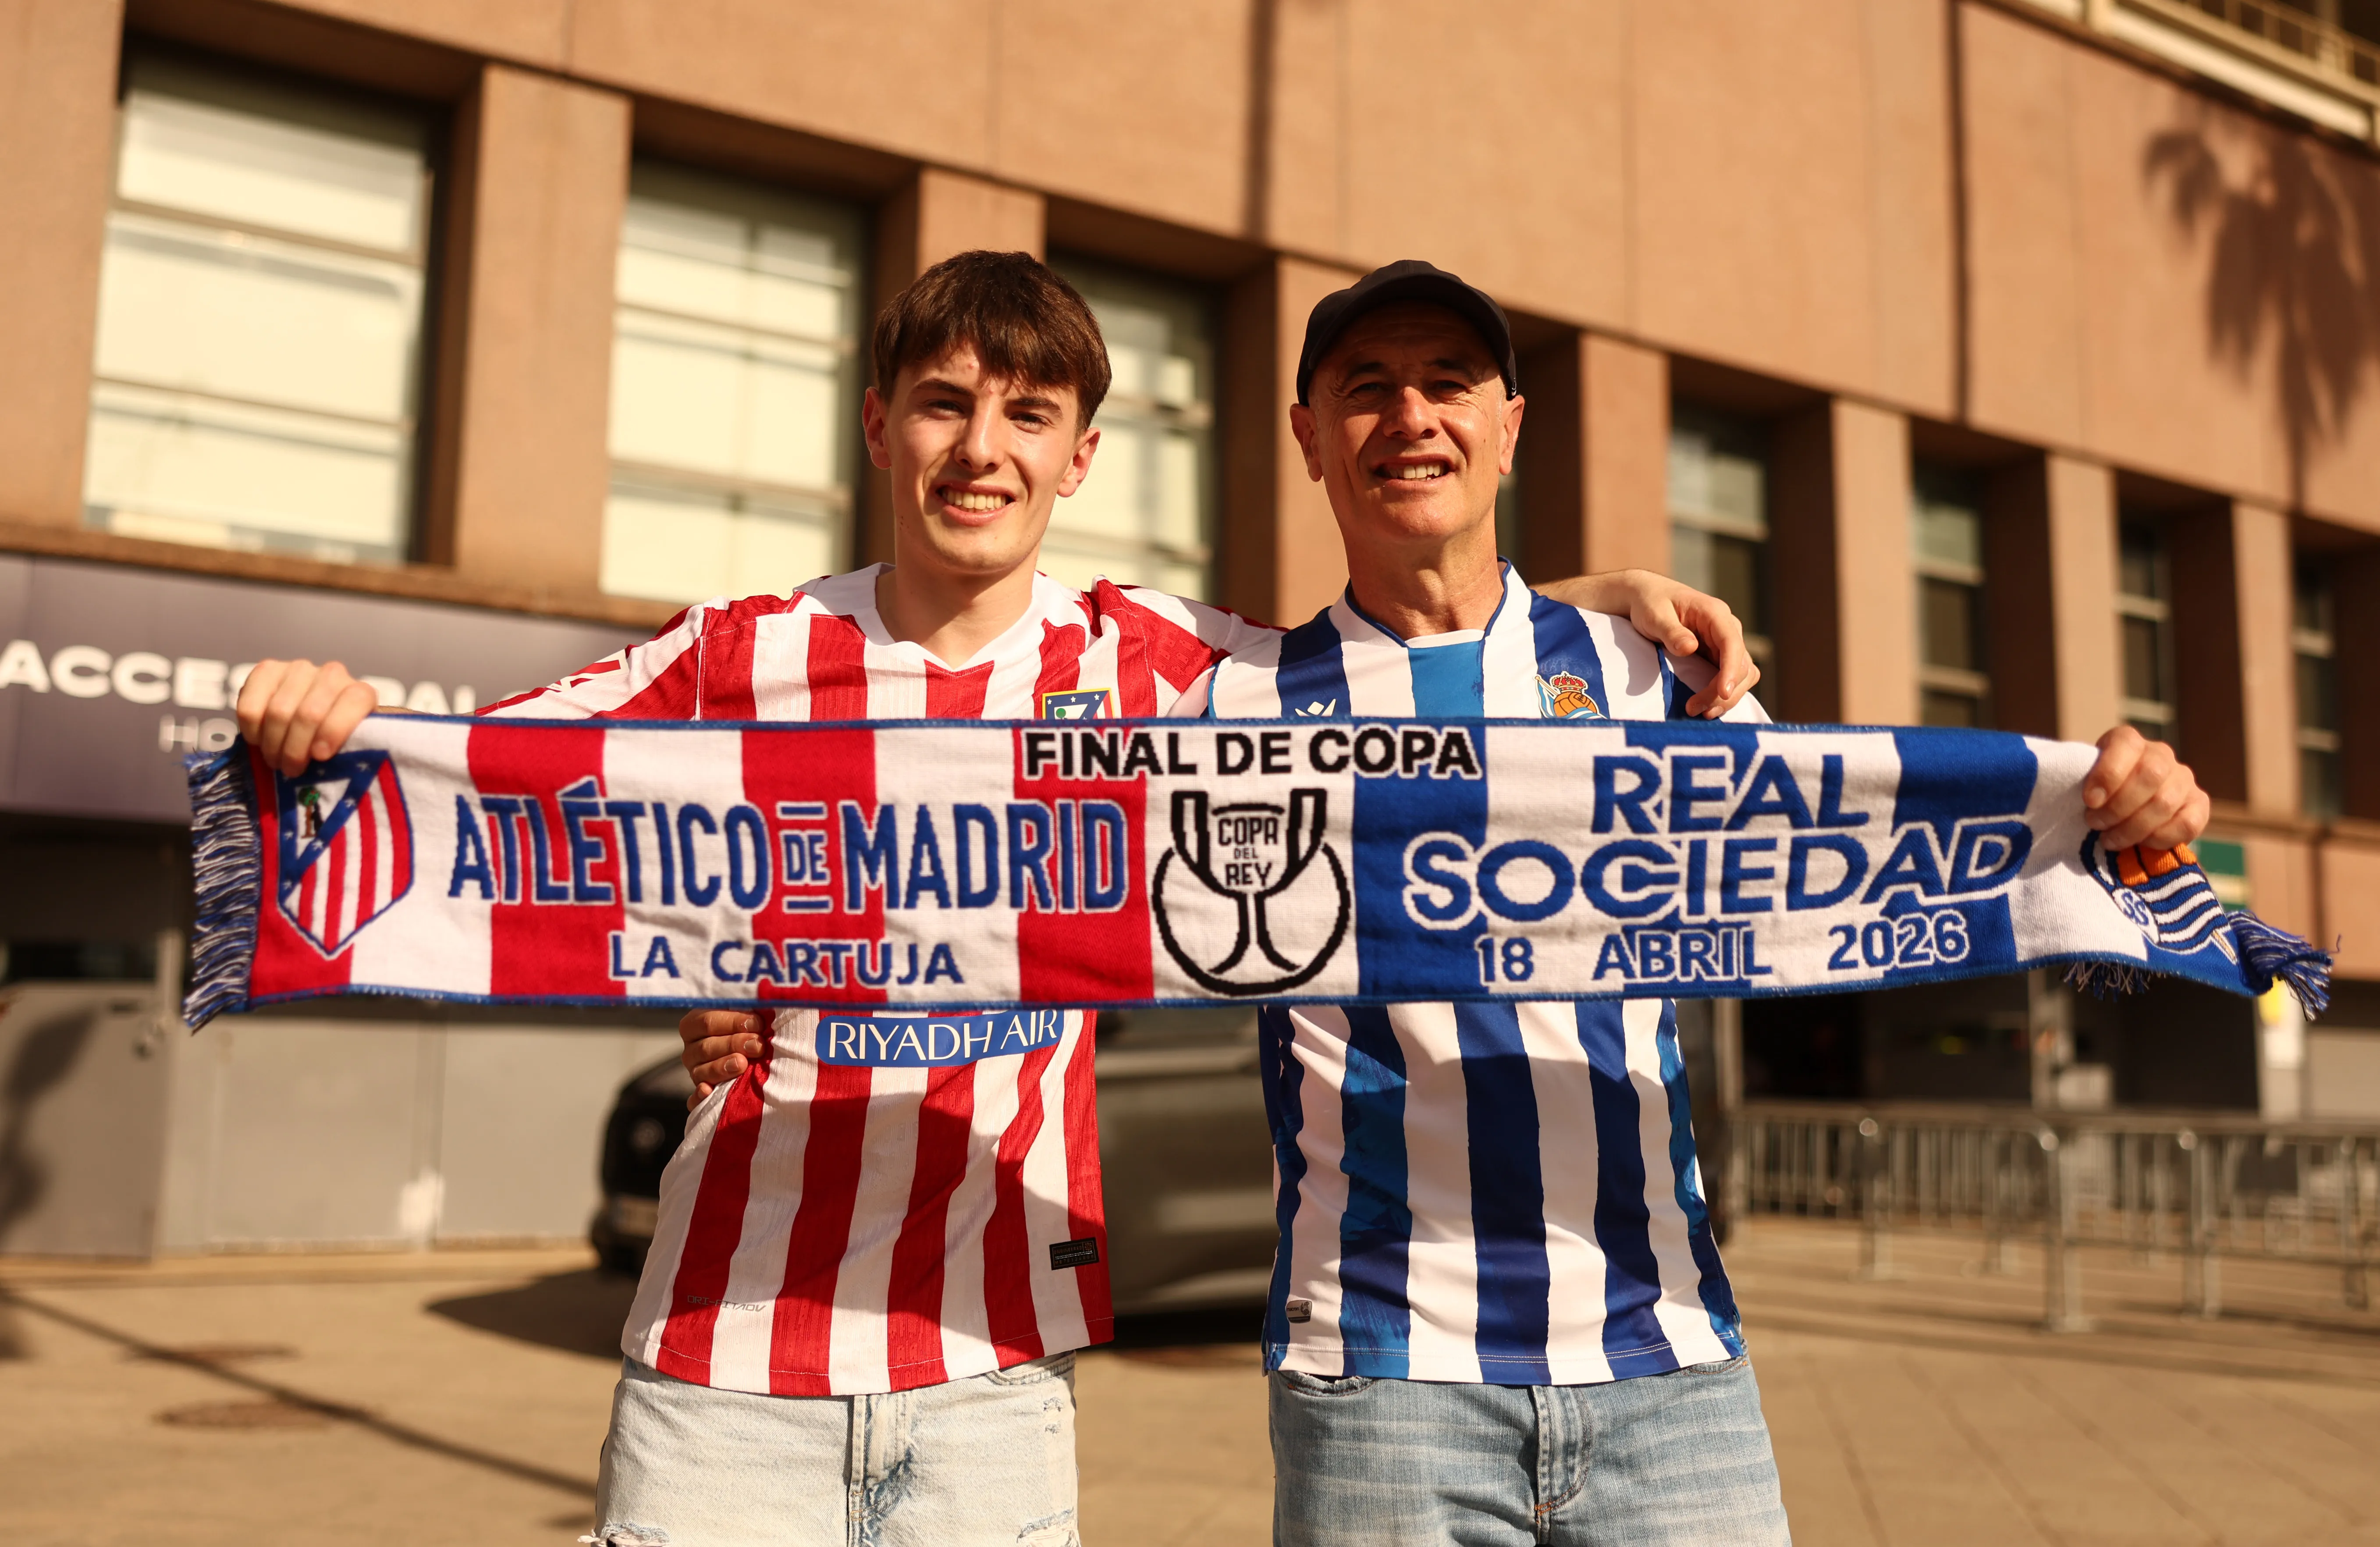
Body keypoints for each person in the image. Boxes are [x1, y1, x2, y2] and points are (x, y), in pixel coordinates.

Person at [234, 251, 1764, 1547]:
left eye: (1028, 415)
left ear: (1079, 458)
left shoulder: (1159, 662)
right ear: (879, 426)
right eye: (947, 405)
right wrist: (326, 718)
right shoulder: (736, 651)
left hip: (996, 1381)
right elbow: (490, 790)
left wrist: (1590, 603)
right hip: (720, 1373)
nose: (983, 449)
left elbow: (1404, 662)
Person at [693, 260, 2213, 1546]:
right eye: (1364, 386)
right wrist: (734, 948)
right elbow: (953, 791)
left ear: (1507, 426)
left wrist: (2106, 809)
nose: (1406, 415)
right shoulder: (1218, 696)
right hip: (1376, 1388)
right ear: (1305, 435)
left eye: (1445, 382)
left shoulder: (1650, 679)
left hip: (1670, 1369)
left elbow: (1858, 851)